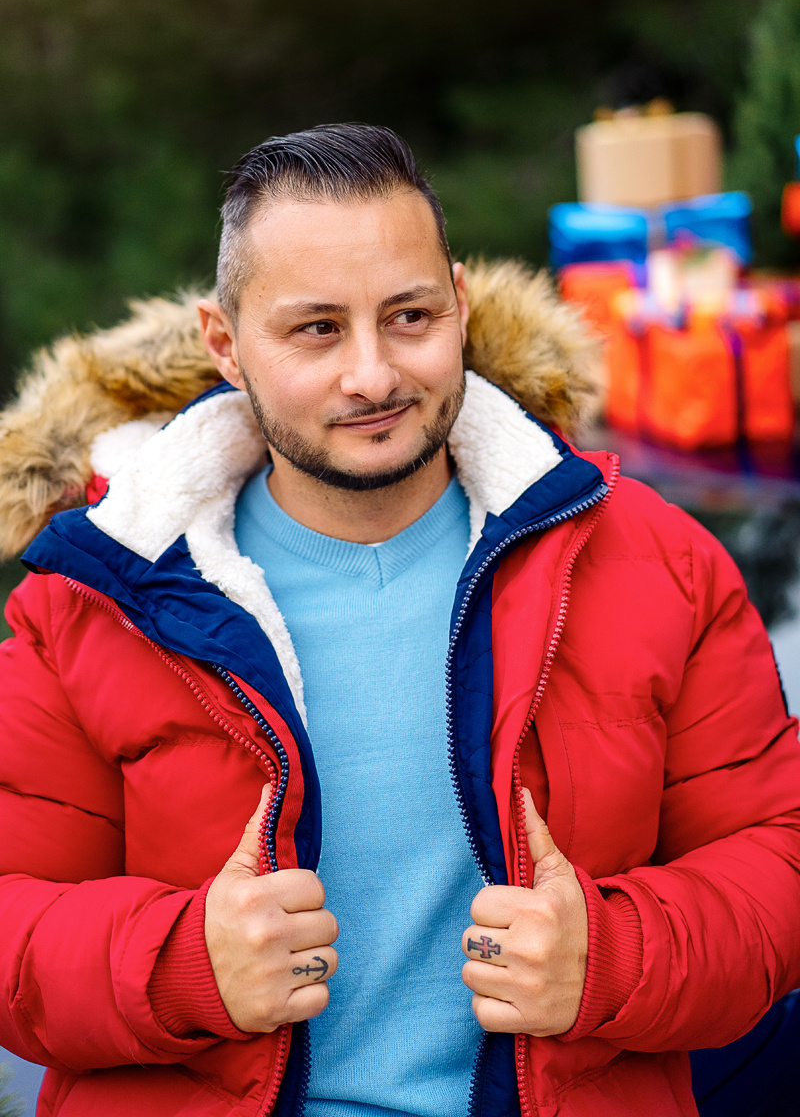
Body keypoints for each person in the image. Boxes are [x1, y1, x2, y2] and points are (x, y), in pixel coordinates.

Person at [0, 123, 798, 1117]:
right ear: (225, 344)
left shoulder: (659, 564)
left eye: (409, 317)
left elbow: (775, 858)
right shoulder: (90, 600)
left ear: (459, 304)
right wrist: (179, 964)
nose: (373, 376)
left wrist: (612, 956)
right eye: (316, 330)